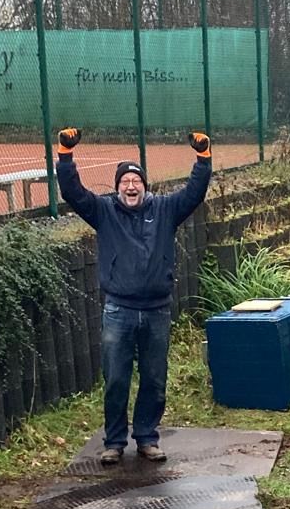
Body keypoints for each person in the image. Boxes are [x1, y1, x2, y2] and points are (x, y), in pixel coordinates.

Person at [55, 128, 212, 466]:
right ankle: (114, 442)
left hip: (156, 311)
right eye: (125, 181)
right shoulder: (103, 212)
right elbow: (72, 192)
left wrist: (203, 158)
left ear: (144, 186)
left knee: (154, 378)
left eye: (136, 181)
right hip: (119, 310)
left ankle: (147, 438)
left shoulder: (166, 209)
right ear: (117, 188)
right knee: (116, 379)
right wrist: (65, 154)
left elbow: (194, 193)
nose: (130, 186)